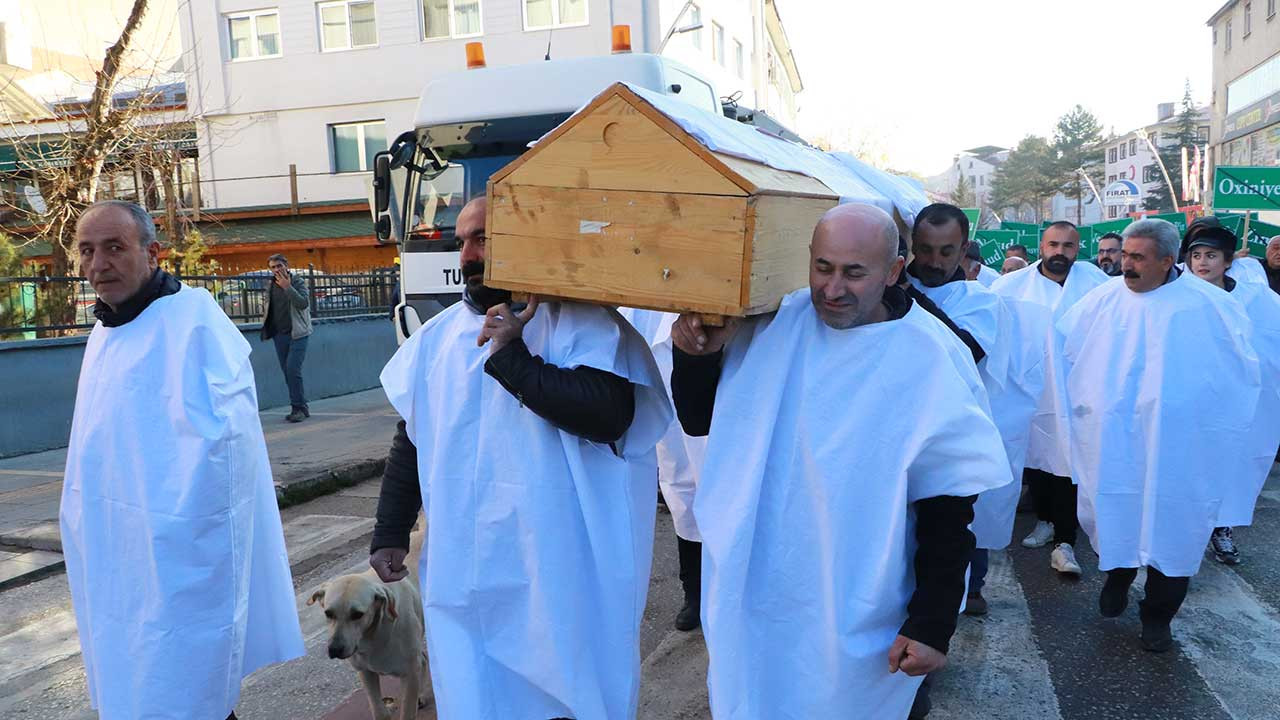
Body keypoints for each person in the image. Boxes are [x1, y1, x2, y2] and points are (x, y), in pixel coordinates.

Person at [671, 204, 1011, 720]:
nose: (832, 289)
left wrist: (932, 622)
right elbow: (699, 418)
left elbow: (949, 506)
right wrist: (695, 353)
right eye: (823, 267)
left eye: (854, 272)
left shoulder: (930, 355)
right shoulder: (772, 324)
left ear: (894, 271)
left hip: (861, 601)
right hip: (757, 586)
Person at [370, 197, 671, 720]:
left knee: (565, 688)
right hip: (467, 568)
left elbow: (609, 415)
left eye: (482, 238)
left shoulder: (582, 322)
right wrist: (390, 530)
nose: (467, 254)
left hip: (561, 566)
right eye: (461, 241)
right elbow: (413, 438)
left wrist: (511, 355)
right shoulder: (435, 340)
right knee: (478, 689)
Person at [60, 201, 303, 720]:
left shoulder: (195, 322)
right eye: (86, 251)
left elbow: (228, 452)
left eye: (114, 248)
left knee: (189, 676)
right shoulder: (105, 331)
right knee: (136, 668)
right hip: (116, 547)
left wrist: (173, 527)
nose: (97, 264)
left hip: (180, 545)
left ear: (153, 253)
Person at [1048, 218, 1277, 652]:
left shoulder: (1211, 306)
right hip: (1114, 439)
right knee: (1117, 513)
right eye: (1125, 255)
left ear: (1168, 261)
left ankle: (1158, 615)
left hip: (1182, 445)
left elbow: (1241, 374)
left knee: (1176, 526)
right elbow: (1067, 357)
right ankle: (1116, 576)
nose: (1125, 265)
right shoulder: (1101, 301)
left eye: (1137, 258)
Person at [906, 203, 1043, 617]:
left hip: (950, 436)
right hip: (900, 434)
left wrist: (905, 296)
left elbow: (966, 350)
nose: (934, 261)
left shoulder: (978, 300)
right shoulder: (886, 284)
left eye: (946, 251)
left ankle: (967, 592)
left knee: (955, 531)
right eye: (925, 250)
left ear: (964, 248)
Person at [990, 221, 1110, 576]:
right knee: (1037, 458)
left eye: (1068, 246)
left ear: (1078, 248)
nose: (1060, 252)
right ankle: (1044, 521)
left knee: (1073, 462)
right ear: (1041, 246)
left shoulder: (1096, 285)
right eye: (1053, 244)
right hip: (1032, 390)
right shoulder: (1012, 286)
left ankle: (1066, 537)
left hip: (1080, 391)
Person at [1184, 225, 1280, 565]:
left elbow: (1268, 343)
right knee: (1189, 471)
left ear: (1228, 262)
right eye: (1196, 255)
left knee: (1232, 466)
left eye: (1210, 256)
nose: (1202, 263)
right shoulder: (1177, 294)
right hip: (1189, 403)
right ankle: (1184, 539)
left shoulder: (1253, 299)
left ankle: (1222, 529)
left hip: (1234, 404)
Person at [619, 308, 707, 631]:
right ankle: (693, 589)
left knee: (713, 479)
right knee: (678, 479)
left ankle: (720, 588)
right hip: (658, 334)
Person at [259, 253, 313, 422]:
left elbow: (303, 303)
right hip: (279, 334)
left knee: (293, 370)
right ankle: (300, 407)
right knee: (287, 373)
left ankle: (298, 408)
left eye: (279, 266)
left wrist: (287, 287)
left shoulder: (297, 281)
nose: (276, 269)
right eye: (273, 267)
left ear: (286, 265)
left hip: (298, 333)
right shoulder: (270, 284)